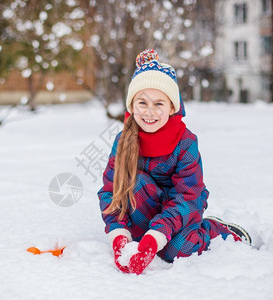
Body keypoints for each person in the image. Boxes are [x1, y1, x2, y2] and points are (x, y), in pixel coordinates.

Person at [97, 49, 251, 275]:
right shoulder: (124, 141)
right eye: (142, 102)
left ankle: (215, 230)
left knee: (177, 250)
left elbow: (187, 196)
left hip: (181, 210)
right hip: (144, 208)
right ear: (132, 106)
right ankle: (149, 234)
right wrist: (120, 237)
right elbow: (111, 191)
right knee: (134, 181)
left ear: (172, 107)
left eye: (159, 103)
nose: (149, 112)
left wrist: (156, 236)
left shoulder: (185, 142)